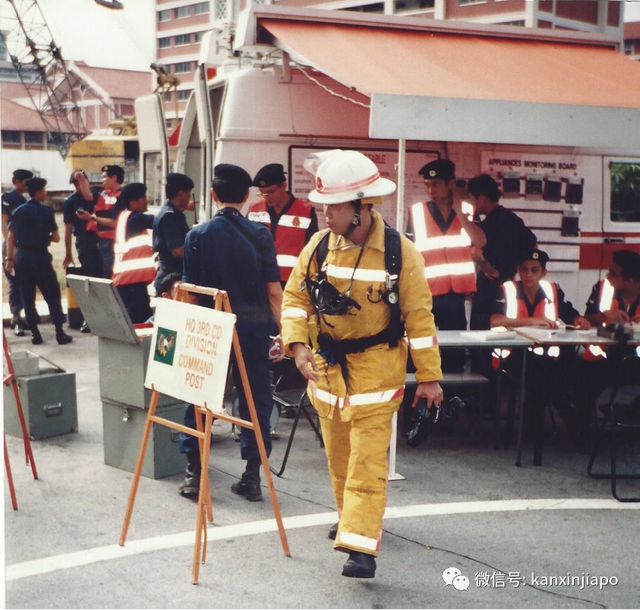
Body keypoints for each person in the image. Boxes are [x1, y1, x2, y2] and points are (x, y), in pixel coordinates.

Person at [281, 150, 443, 579]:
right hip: (327, 371)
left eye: (333, 207)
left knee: (368, 460)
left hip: (377, 370)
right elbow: (295, 299)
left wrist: (428, 378)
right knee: (338, 457)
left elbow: (420, 319)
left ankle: (361, 546)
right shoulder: (318, 247)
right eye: (324, 207)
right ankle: (352, 519)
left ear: (361, 207)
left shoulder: (399, 253)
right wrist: (298, 347)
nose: (325, 215)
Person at [179, 164, 284, 500]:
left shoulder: (197, 235)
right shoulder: (261, 235)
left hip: (211, 328)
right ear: (247, 197)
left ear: (213, 194)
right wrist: (287, 333)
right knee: (255, 400)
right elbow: (274, 292)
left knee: (200, 396)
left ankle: (194, 475)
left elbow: (192, 295)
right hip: (253, 330)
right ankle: (252, 478)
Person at [489, 249, 590, 435]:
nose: (528, 275)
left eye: (534, 270)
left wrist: (578, 319)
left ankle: (537, 427)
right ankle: (569, 418)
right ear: (518, 270)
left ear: (544, 272)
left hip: (545, 358)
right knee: (544, 374)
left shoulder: (553, 290)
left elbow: (568, 312)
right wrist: (532, 320)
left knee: (549, 372)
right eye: (525, 269)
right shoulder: (507, 289)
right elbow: (494, 320)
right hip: (512, 357)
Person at [407, 159, 485, 372]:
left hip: (455, 296)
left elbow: (480, 241)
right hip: (425, 293)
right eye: (427, 184)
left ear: (450, 184)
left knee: (454, 355)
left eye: (436, 184)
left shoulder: (468, 210)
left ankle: (452, 401)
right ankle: (420, 401)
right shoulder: (416, 212)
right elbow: (409, 254)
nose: (430, 189)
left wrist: (460, 212)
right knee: (422, 348)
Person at [5, 177, 72, 346]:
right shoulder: (47, 212)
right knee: (52, 295)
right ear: (38, 192)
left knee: (27, 296)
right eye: (44, 190)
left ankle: (35, 334)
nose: (46, 192)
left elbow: (11, 237)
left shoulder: (18, 211)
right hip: (41, 258)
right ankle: (59, 333)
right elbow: (56, 238)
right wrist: (44, 237)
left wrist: (9, 259)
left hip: (23, 258)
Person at [467, 174, 537, 331]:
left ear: (482, 198)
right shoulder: (513, 219)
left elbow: (476, 254)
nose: (473, 204)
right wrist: (519, 270)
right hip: (509, 286)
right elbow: (533, 247)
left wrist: (483, 265)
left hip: (487, 288)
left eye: (473, 199)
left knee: (481, 334)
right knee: (505, 333)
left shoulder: (485, 226)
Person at [248, 163, 318, 286]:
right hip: (260, 280)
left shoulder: (305, 211)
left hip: (292, 282)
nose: (267, 197)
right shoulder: (254, 209)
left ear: (283, 186)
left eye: (270, 192)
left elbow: (313, 251)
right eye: (262, 193)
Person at [112, 183, 155, 324]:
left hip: (128, 279)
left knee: (143, 317)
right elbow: (160, 221)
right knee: (135, 321)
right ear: (133, 203)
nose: (147, 200)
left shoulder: (124, 216)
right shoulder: (135, 218)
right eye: (143, 198)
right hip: (132, 280)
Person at [77, 164, 126, 278]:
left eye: (104, 177)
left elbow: (117, 223)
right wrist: (82, 180)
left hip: (113, 241)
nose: (102, 180)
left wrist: (91, 218)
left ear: (114, 178)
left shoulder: (122, 196)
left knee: (109, 273)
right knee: (102, 272)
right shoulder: (105, 193)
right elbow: (88, 196)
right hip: (102, 240)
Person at [2, 169, 34, 336]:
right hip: (12, 247)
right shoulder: (8, 198)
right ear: (17, 182)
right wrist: (10, 248)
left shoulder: (24, 200)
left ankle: (24, 318)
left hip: (24, 247)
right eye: (25, 182)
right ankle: (16, 318)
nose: (27, 186)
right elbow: (4, 224)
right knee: (14, 283)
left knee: (24, 283)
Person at [152, 172, 194, 296]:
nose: (189, 197)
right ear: (181, 193)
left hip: (171, 274)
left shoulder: (173, 213)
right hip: (170, 279)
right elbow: (177, 250)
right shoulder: (170, 216)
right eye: (188, 193)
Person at [62, 170, 101, 280]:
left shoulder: (96, 196)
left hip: (101, 238)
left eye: (81, 182)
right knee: (91, 273)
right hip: (85, 239)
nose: (79, 186)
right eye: (76, 184)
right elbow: (68, 229)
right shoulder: (71, 202)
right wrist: (68, 253)